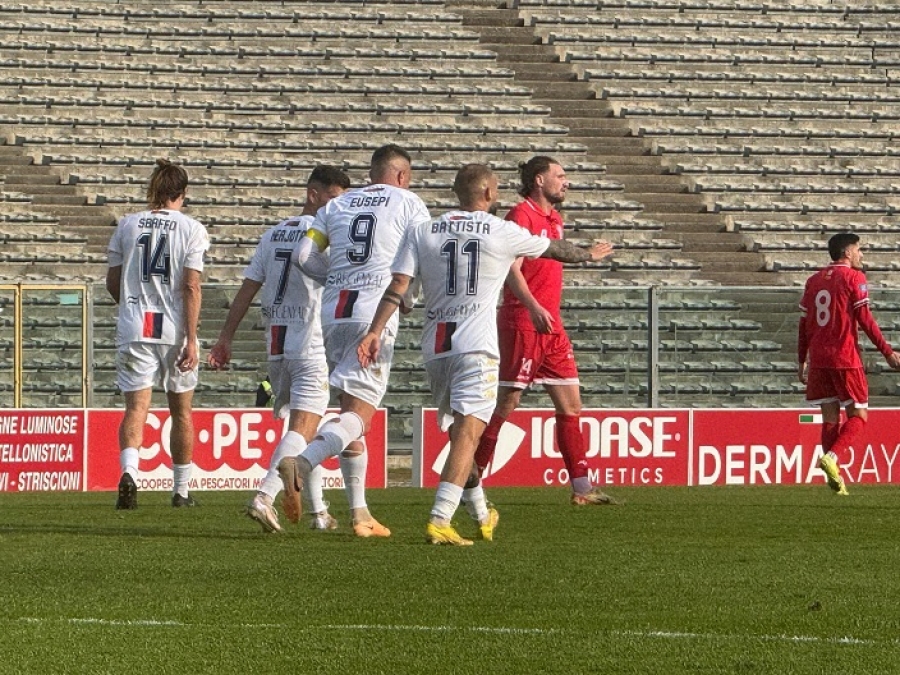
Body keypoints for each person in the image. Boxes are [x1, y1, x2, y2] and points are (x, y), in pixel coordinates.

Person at [358, 163, 614, 545]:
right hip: (476, 346)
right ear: (490, 194)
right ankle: (440, 518)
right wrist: (588, 255)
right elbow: (555, 249)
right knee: (468, 433)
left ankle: (481, 512)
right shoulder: (500, 229)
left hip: (436, 346)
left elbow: (399, 286)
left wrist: (375, 330)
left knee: (462, 434)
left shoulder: (424, 229)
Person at [279, 144, 432, 538]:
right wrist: (407, 300)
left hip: (335, 312)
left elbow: (303, 255)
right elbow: (418, 259)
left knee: (348, 417)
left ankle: (360, 514)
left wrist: (335, 278)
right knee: (360, 417)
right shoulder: (409, 203)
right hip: (374, 312)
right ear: (402, 175)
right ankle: (302, 463)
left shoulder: (336, 205)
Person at [207, 165, 350, 533]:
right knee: (305, 427)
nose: (339, 207)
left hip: (277, 344)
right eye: (334, 198)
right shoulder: (324, 237)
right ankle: (264, 496)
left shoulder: (272, 235)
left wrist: (225, 337)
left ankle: (319, 513)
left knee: (302, 429)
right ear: (313, 195)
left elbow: (247, 290)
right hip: (310, 342)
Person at [472, 156, 619, 506]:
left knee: (571, 405)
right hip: (524, 320)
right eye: (560, 175)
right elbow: (511, 268)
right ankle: (470, 477)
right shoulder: (520, 216)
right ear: (539, 180)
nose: (566, 182)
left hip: (551, 324)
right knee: (507, 403)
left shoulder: (555, 219)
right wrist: (533, 306)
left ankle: (582, 488)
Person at [106, 159, 209, 509]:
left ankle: (130, 474)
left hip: (135, 325)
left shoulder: (127, 225)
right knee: (181, 411)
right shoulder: (192, 228)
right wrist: (192, 338)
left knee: (136, 407)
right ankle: (181, 491)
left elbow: (113, 282)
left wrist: (131, 308)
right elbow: (191, 286)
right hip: (174, 329)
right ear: (183, 193)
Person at [798, 231, 900, 495]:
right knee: (859, 415)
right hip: (844, 357)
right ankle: (832, 458)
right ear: (847, 252)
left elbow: (803, 323)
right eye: (858, 249)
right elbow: (865, 319)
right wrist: (887, 352)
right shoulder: (854, 277)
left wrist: (801, 359)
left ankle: (836, 480)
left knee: (830, 417)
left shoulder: (813, 280)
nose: (861, 255)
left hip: (818, 360)